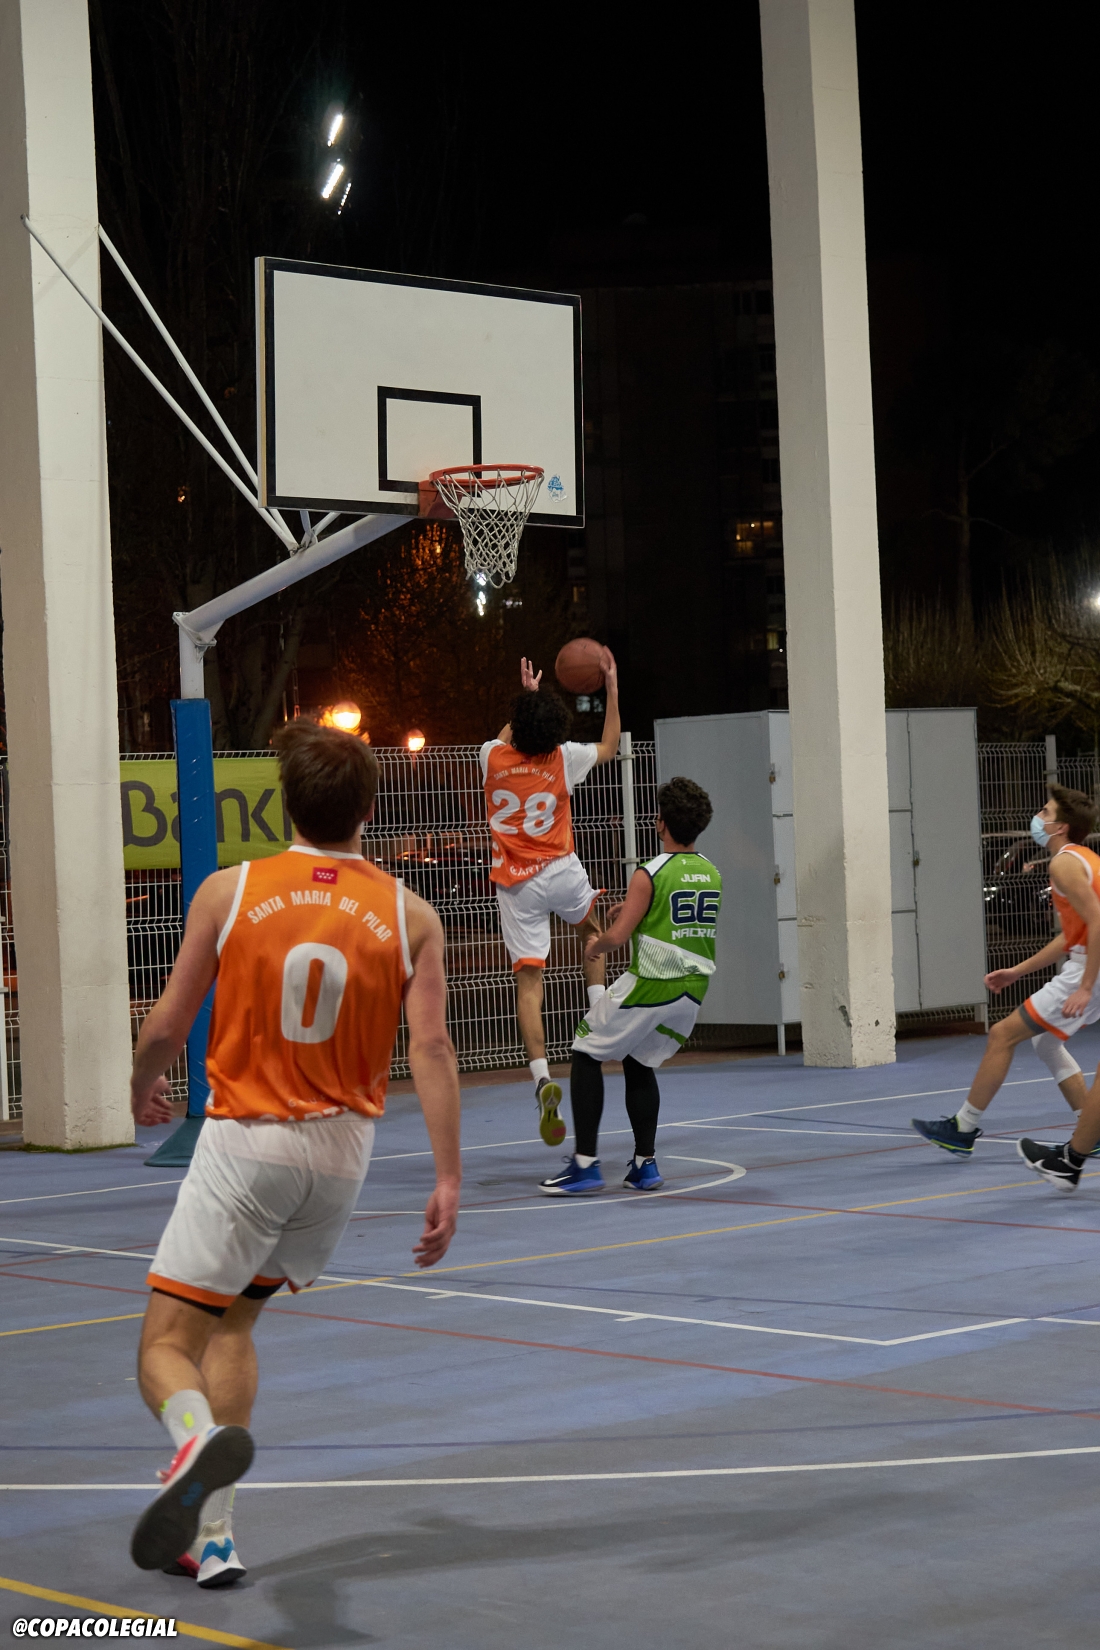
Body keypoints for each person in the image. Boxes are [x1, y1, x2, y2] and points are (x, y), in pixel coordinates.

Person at [127, 719, 461, 1584]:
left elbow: (168, 1022)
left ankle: (193, 1444)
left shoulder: (229, 891)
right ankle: (214, 1539)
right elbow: (431, 1049)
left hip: (250, 1140)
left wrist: (139, 1084)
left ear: (285, 805)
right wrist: (448, 1175)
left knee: (164, 1346)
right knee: (235, 1321)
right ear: (370, 809)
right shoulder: (410, 914)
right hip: (343, 1158)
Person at [540, 776, 721, 1195]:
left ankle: (585, 1165)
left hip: (653, 983)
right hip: (693, 990)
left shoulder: (649, 872)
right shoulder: (711, 872)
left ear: (661, 823)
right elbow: (676, 916)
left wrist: (596, 945)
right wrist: (635, 909)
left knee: (585, 1050)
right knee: (639, 1061)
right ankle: (644, 1164)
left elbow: (618, 937)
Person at [912, 785, 1100, 1156]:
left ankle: (962, 1127)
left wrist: (1085, 986)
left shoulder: (1063, 864)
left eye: (1045, 813)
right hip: (1087, 962)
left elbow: (1097, 923)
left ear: (1061, 827)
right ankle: (1090, 1132)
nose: (1038, 817)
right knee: (1046, 1041)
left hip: (1089, 968)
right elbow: (1072, 935)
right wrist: (1016, 971)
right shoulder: (1085, 858)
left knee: (1001, 1035)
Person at [481, 652, 620, 1147]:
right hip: (560, 869)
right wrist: (611, 688)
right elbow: (609, 744)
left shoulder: (490, 757)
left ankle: (542, 1078)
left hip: (516, 884)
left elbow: (505, 736)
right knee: (592, 933)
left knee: (529, 982)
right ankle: (598, 1013)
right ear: (556, 730)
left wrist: (528, 699)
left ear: (518, 725)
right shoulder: (564, 759)